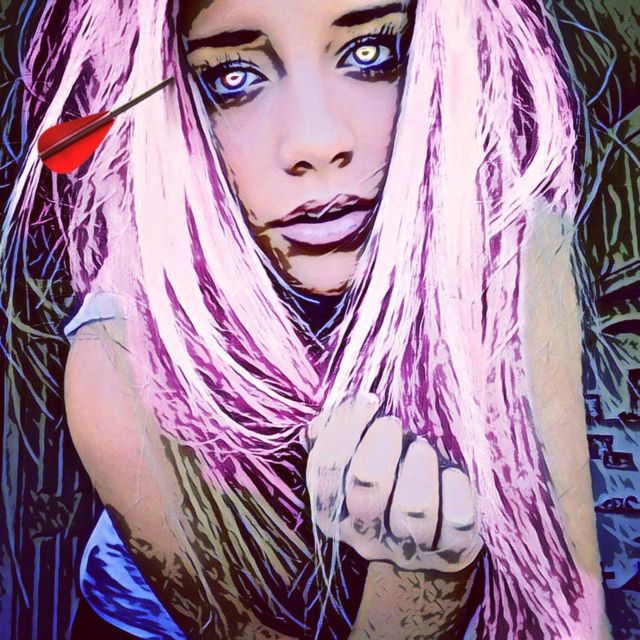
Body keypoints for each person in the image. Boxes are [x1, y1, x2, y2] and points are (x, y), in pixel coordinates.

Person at [3, 0, 610, 637]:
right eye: (232, 76)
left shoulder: (511, 251)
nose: (318, 143)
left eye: (371, 53)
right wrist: (423, 589)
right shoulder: (124, 363)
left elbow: (573, 605)